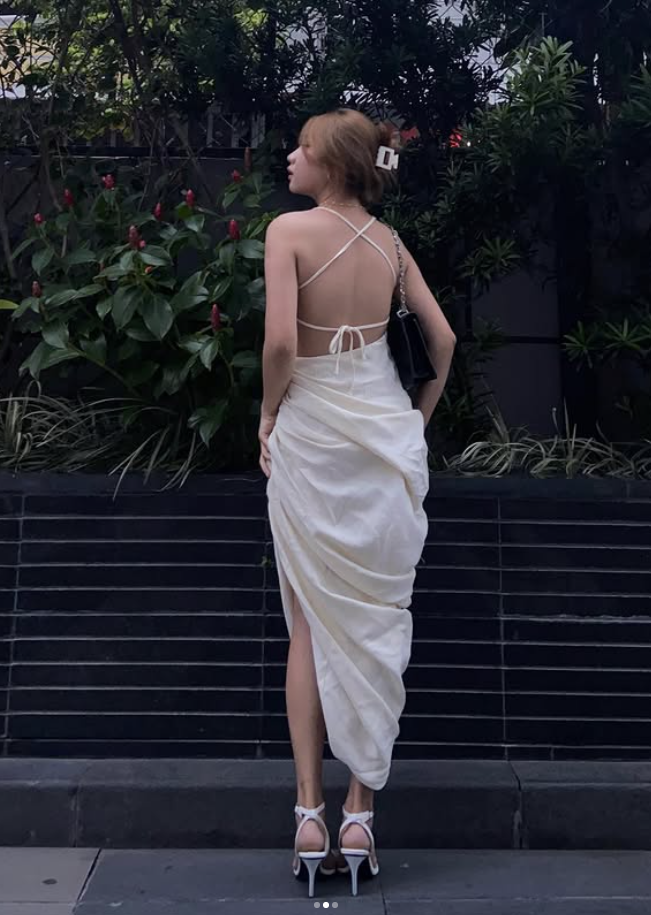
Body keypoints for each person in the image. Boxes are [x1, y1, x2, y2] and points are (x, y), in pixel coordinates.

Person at [259, 108, 457, 897]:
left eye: (302, 147)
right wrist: (413, 425)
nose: (290, 156)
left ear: (331, 163)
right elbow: (442, 343)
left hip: (311, 436)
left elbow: (281, 344)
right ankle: (359, 813)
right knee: (376, 624)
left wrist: (267, 414)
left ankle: (308, 812)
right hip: (382, 442)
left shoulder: (287, 232)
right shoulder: (391, 245)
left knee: (310, 621)